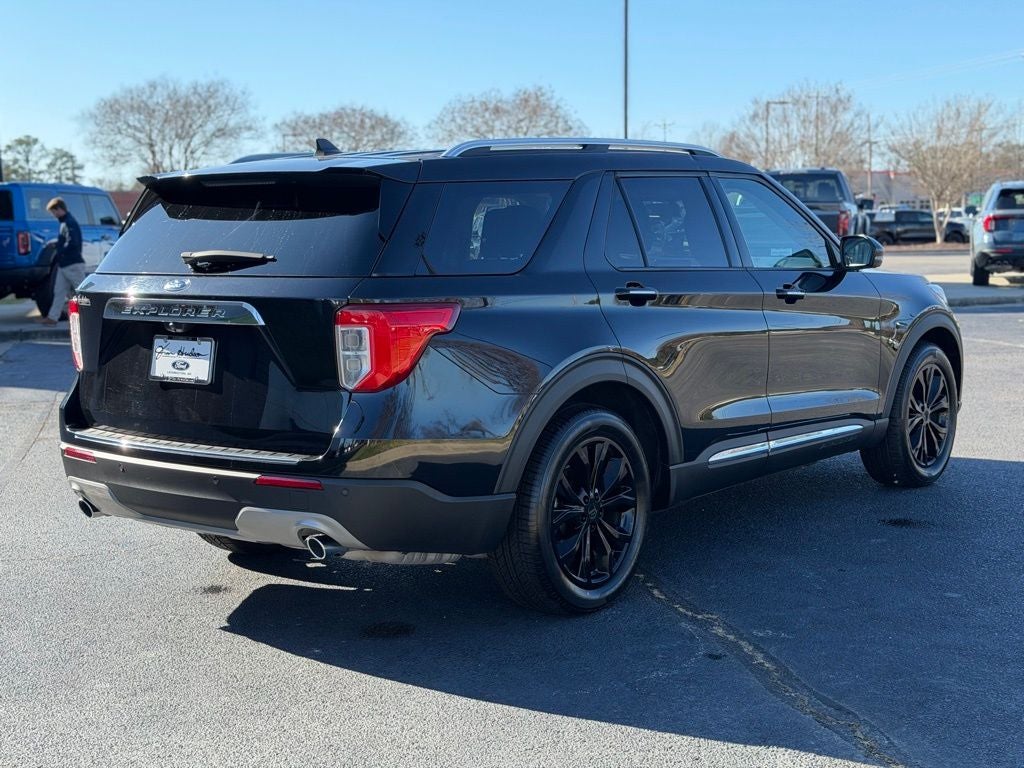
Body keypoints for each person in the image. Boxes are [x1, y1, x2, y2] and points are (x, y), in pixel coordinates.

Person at [39, 197, 85, 326]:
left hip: (72, 263)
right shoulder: (64, 223)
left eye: (54, 212)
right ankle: (52, 318)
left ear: (59, 209)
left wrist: (61, 250)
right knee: (59, 291)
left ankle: (91, 315)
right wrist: (57, 246)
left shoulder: (69, 223)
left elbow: (73, 242)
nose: (54, 215)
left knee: (82, 293)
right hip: (64, 264)